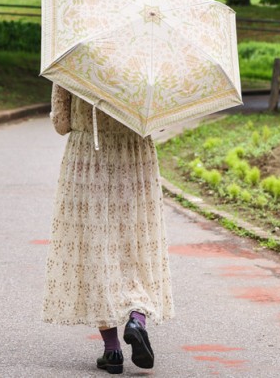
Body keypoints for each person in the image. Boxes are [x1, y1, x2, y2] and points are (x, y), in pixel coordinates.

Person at [42, 83, 174, 374]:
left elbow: (62, 123)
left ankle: (112, 351)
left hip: (89, 156)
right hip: (134, 155)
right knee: (135, 241)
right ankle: (137, 320)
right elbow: (161, 117)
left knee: (96, 246)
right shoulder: (141, 58)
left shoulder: (73, 56)